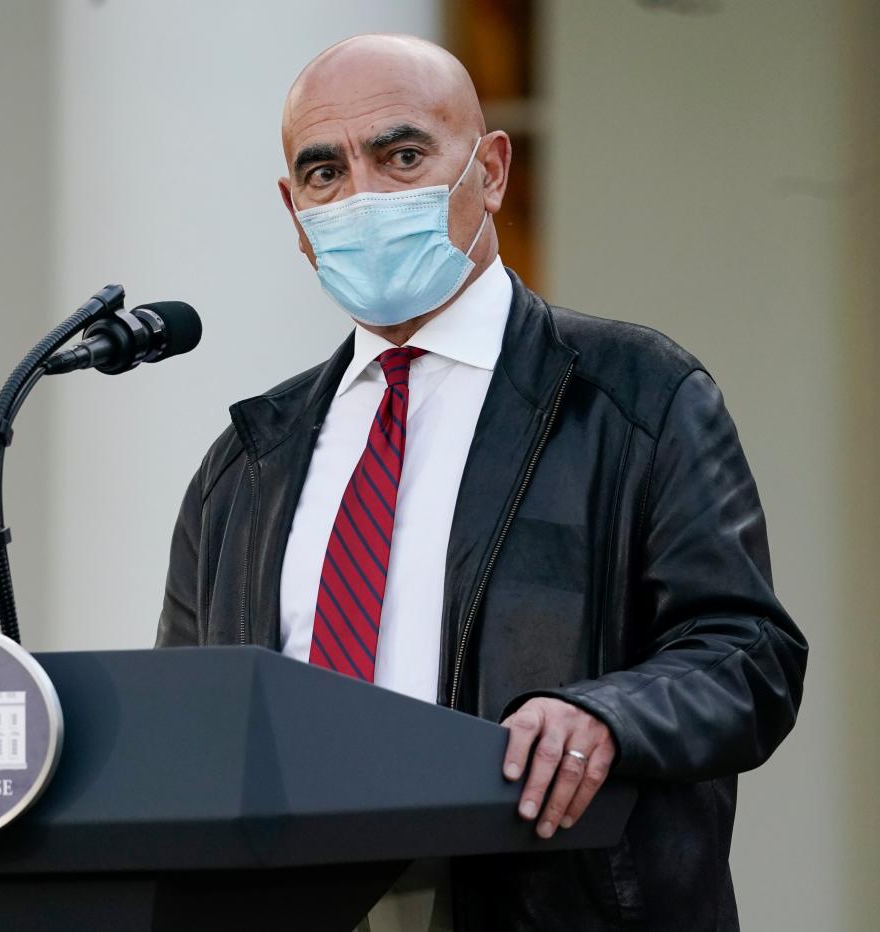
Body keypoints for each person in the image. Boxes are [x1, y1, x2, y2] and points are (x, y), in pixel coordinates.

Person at [155, 33, 807, 932]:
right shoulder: (246, 465)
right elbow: (189, 721)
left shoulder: (636, 396)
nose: (364, 197)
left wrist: (606, 716)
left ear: (491, 171)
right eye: (324, 174)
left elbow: (749, 655)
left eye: (403, 156)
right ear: (294, 212)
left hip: (543, 900)